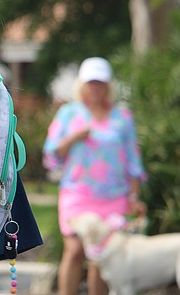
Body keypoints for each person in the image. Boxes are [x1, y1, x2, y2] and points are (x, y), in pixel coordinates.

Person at [43, 57, 146, 295]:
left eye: (100, 82)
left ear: (108, 85)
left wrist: (134, 196)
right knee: (75, 250)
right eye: (91, 82)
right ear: (82, 84)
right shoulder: (69, 113)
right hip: (77, 194)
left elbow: (133, 160)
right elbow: (52, 154)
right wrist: (74, 137)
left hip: (114, 197)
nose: (96, 87)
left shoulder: (122, 116)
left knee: (101, 257)